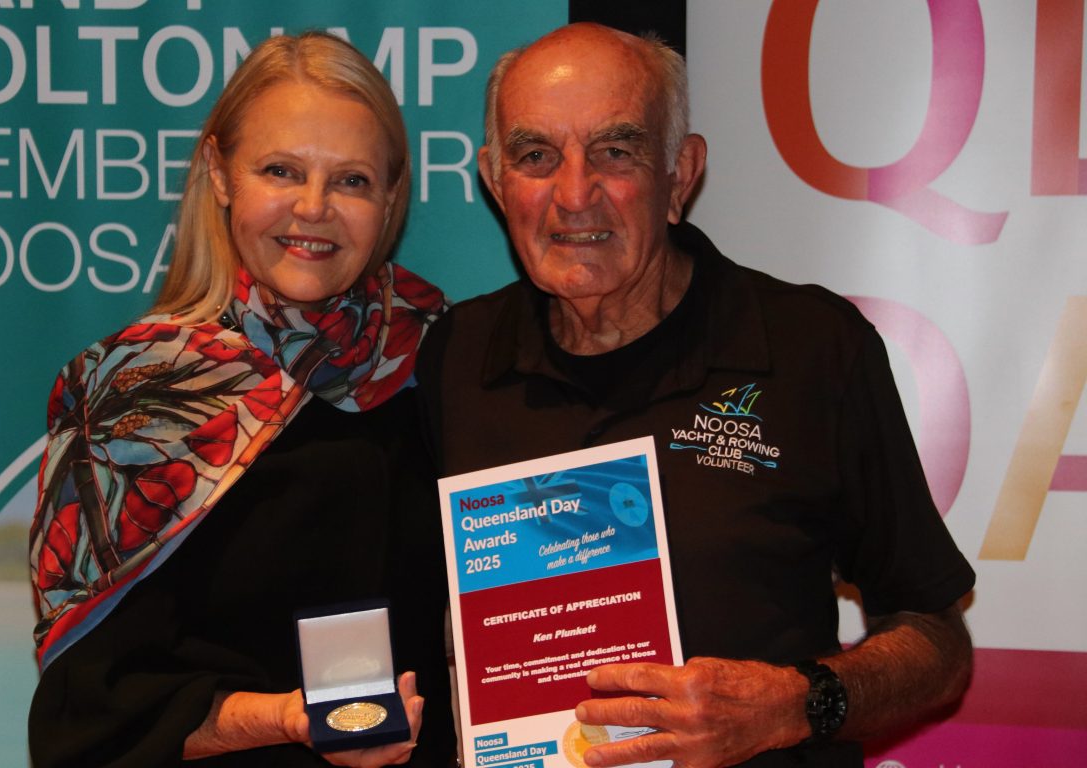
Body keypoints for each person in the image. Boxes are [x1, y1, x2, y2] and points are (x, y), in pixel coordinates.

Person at [416, 22, 975, 768]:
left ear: (679, 175)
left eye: (616, 152)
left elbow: (938, 642)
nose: (574, 195)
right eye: (536, 156)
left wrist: (796, 704)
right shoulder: (457, 355)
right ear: (495, 181)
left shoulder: (812, 348)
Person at [28, 32, 454, 767]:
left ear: (390, 197)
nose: (313, 207)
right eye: (281, 170)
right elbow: (91, 711)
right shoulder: (127, 398)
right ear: (220, 174)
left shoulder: (447, 366)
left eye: (351, 180)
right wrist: (287, 720)